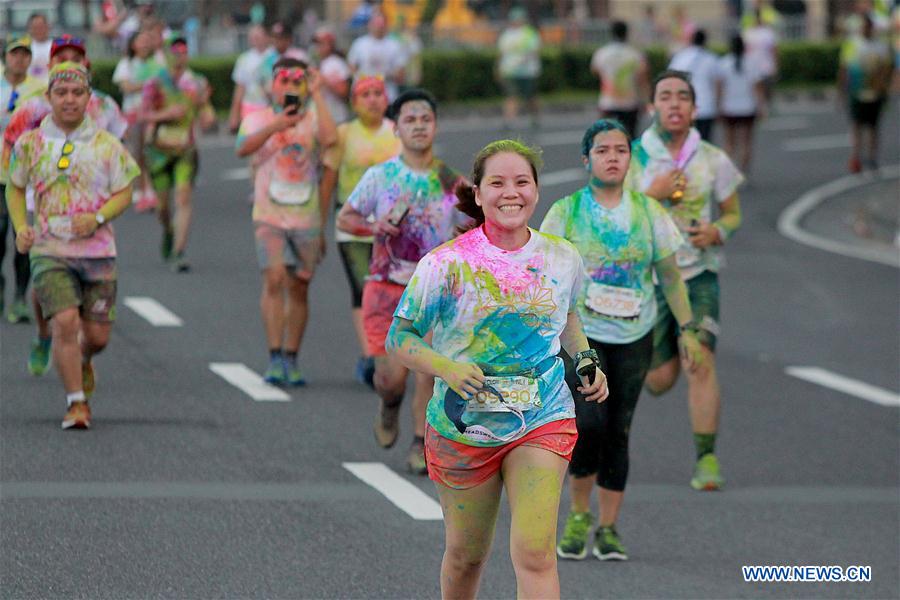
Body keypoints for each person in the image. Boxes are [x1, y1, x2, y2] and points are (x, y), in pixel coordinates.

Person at [386, 139, 609, 598]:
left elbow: (566, 315)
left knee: (536, 553)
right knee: (467, 555)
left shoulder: (561, 256)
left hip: (543, 414)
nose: (511, 193)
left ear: (536, 190)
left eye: (522, 182)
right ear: (479, 193)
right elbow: (400, 338)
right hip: (465, 424)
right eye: (498, 183)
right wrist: (446, 368)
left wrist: (585, 358)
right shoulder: (446, 264)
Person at [541, 119, 702, 561]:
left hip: (635, 335)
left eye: (620, 150)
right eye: (602, 150)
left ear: (630, 159)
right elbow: (544, 272)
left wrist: (688, 329)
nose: (612, 158)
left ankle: (609, 528)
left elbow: (671, 276)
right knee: (589, 424)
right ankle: (578, 516)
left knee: (619, 428)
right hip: (582, 338)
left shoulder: (649, 212)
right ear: (586, 159)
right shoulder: (566, 211)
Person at [336, 89, 468, 475]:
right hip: (386, 288)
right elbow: (346, 218)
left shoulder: (451, 182)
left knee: (427, 371)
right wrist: (374, 226)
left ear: (436, 126)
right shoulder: (380, 177)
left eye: (426, 119)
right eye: (410, 120)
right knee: (391, 378)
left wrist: (463, 240)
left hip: (432, 294)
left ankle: (419, 443)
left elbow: (476, 230)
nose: (419, 126)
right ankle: (389, 404)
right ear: (396, 128)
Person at [6, 62, 140, 430]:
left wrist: (97, 217)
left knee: (97, 337)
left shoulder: (106, 145)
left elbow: (125, 191)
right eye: (61, 93)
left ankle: (83, 360)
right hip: (50, 249)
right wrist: (21, 227)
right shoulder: (30, 144)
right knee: (65, 321)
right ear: (48, 97)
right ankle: (76, 403)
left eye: (77, 93)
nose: (69, 100)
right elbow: (15, 186)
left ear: (88, 98)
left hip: (97, 253)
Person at [627, 70, 744, 491]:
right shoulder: (632, 157)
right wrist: (652, 193)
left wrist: (718, 231)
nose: (674, 103)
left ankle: (706, 460)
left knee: (700, 360)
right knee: (659, 380)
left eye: (682, 97)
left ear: (695, 109)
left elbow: (732, 212)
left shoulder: (712, 158)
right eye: (665, 96)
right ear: (652, 107)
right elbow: (609, 212)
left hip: (697, 275)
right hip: (647, 278)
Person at [236, 58, 337, 386]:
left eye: (298, 82)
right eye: (284, 81)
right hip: (268, 214)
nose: (290, 88)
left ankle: (292, 356)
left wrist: (318, 94)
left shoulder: (313, 118)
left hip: (306, 217)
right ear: (272, 85)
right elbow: (241, 149)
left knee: (299, 285)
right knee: (274, 278)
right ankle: (274, 355)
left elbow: (331, 140)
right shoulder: (257, 119)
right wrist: (275, 126)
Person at [320, 76, 400, 386]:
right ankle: (369, 354)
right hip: (352, 225)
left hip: (393, 229)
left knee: (388, 291)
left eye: (378, 93)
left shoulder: (397, 133)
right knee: (363, 288)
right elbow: (329, 178)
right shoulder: (343, 134)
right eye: (365, 94)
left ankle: (386, 351)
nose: (372, 99)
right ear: (354, 102)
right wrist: (319, 225)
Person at [142, 34, 216, 272]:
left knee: (183, 198)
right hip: (159, 151)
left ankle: (179, 251)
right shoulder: (155, 82)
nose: (179, 56)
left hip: (186, 149)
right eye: (175, 51)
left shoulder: (197, 82)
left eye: (183, 51)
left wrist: (207, 113)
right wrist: (166, 114)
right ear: (166, 54)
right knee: (163, 207)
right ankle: (168, 230)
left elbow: (207, 115)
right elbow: (142, 115)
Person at [1, 35, 43, 322]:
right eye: (15, 53)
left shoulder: (39, 90)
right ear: (6, 56)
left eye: (25, 54)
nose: (20, 59)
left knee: (24, 236)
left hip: (26, 176)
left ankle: (19, 297)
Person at [112, 30, 162, 212]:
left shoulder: (156, 63)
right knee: (137, 153)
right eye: (141, 41)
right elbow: (126, 86)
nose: (145, 44)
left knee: (151, 152)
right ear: (133, 44)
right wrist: (148, 84)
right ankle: (142, 190)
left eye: (147, 40)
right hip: (134, 113)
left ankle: (152, 190)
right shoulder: (126, 64)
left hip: (153, 114)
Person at [838, 14, 893, 173]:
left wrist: (885, 89)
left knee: (873, 126)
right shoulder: (852, 44)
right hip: (857, 92)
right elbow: (844, 68)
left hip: (875, 93)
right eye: (864, 27)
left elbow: (886, 70)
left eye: (869, 27)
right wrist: (842, 90)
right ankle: (856, 157)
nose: (866, 30)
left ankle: (872, 158)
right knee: (857, 125)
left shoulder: (881, 46)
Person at [716, 35, 767, 177]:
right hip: (747, 108)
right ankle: (743, 173)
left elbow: (719, 88)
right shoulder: (752, 63)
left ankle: (728, 175)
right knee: (746, 143)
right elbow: (758, 88)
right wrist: (761, 106)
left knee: (729, 143)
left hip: (729, 108)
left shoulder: (723, 63)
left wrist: (718, 106)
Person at [590, 21, 649, 139]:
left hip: (608, 102)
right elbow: (642, 79)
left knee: (604, 138)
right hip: (630, 103)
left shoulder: (602, 52)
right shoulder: (634, 53)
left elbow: (595, 70)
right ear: (626, 33)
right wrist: (645, 100)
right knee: (630, 138)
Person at [669, 30, 719, 141]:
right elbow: (717, 84)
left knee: (684, 141)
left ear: (691, 40)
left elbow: (671, 81)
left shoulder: (680, 57)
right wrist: (718, 105)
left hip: (683, 105)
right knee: (704, 141)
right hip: (707, 106)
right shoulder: (711, 58)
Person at [497, 6, 541, 129]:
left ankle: (534, 117)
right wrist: (499, 68)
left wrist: (524, 62)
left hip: (528, 72)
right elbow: (501, 53)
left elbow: (535, 51)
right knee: (511, 96)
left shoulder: (530, 33)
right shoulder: (506, 35)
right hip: (510, 72)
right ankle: (508, 121)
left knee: (530, 97)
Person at [347, 10, 406, 101]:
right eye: (375, 24)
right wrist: (363, 79)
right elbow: (351, 67)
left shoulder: (395, 45)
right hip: (363, 95)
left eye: (381, 24)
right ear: (369, 25)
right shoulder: (359, 43)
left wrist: (384, 77)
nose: (378, 28)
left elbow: (400, 74)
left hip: (387, 96)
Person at [228, 24, 272, 133]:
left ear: (267, 37)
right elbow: (240, 88)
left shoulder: (274, 56)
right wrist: (234, 115)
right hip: (250, 108)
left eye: (258, 37)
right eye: (252, 37)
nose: (254, 40)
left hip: (271, 108)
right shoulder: (244, 59)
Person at [260, 22, 311, 101]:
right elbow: (262, 81)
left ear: (289, 38)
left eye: (281, 37)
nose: (276, 40)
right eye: (274, 37)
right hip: (273, 102)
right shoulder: (266, 56)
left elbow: (306, 80)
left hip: (296, 100)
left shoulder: (300, 56)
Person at [312, 26, 351, 124]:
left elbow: (344, 92)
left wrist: (323, 80)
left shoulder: (337, 63)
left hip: (337, 117)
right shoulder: (321, 62)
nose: (318, 47)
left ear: (330, 44)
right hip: (323, 117)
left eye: (321, 43)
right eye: (317, 43)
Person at [742, 8, 778, 106]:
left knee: (768, 88)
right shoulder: (747, 32)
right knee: (754, 89)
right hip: (752, 66)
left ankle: (769, 105)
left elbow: (774, 50)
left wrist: (775, 65)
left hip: (766, 66)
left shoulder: (767, 32)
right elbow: (745, 50)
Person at [27, 13, 52, 84]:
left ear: (48, 27)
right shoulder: (24, 48)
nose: (38, 30)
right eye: (35, 27)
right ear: (29, 29)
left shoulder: (56, 47)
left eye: (41, 27)